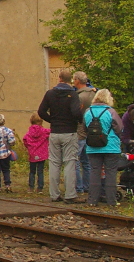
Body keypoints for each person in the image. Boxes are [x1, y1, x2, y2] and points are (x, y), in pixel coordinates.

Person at [38, 68, 83, 203]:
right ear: (70, 80)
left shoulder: (50, 94)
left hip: (55, 132)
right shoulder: (72, 94)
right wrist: (79, 120)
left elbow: (41, 111)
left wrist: (52, 120)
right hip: (69, 132)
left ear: (59, 78)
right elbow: (76, 112)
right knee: (69, 162)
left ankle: (54, 194)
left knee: (54, 163)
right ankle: (70, 194)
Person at [82, 89, 123, 206]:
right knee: (111, 173)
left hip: (93, 147)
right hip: (111, 147)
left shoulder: (88, 112)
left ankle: (92, 201)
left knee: (95, 172)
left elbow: (85, 128)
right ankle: (111, 201)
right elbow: (119, 128)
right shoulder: (111, 112)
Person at [72, 72, 96, 195]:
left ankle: (79, 187)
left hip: (80, 130)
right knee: (87, 162)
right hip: (91, 131)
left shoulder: (79, 97)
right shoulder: (94, 94)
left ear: (77, 80)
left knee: (75, 161)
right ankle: (87, 186)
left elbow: (75, 113)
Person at [22, 113, 50, 193]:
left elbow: (25, 139)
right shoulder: (44, 131)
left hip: (32, 154)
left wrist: (29, 147)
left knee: (32, 171)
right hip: (42, 154)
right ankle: (40, 188)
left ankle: (31, 187)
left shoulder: (29, 132)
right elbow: (52, 132)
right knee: (40, 171)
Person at [0, 114, 16, 193]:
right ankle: (7, 185)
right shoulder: (8, 131)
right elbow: (12, 142)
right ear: (4, 121)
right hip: (5, 154)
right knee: (6, 170)